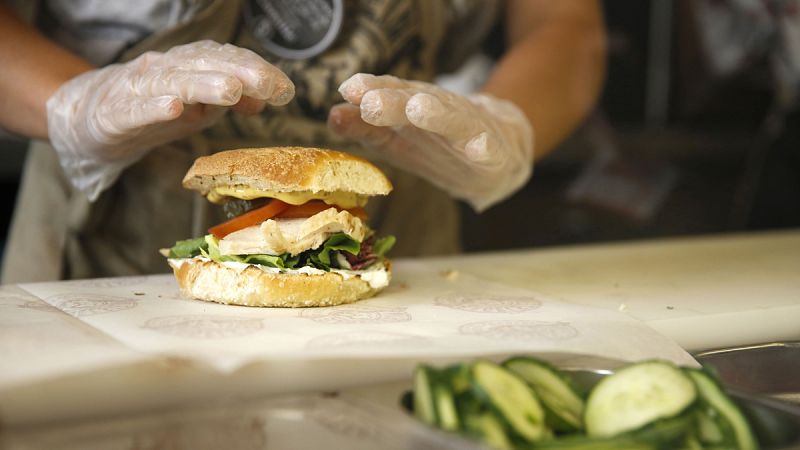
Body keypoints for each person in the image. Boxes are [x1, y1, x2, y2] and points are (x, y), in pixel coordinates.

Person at [0, 0, 606, 282]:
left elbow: (564, 22)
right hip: (98, 257)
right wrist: (72, 103)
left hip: (404, 248)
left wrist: (512, 124)